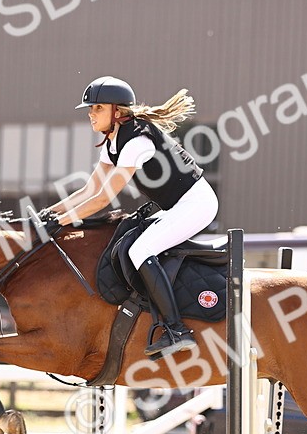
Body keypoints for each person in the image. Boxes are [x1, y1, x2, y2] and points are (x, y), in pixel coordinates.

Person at [45, 76, 219, 358]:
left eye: (97, 108)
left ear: (117, 110)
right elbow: (90, 189)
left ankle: (177, 330)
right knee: (127, 244)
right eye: (90, 109)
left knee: (140, 250)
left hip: (196, 205)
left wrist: (61, 222)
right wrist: (51, 213)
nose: (91, 114)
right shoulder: (112, 142)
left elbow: (102, 199)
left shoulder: (136, 141)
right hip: (177, 206)